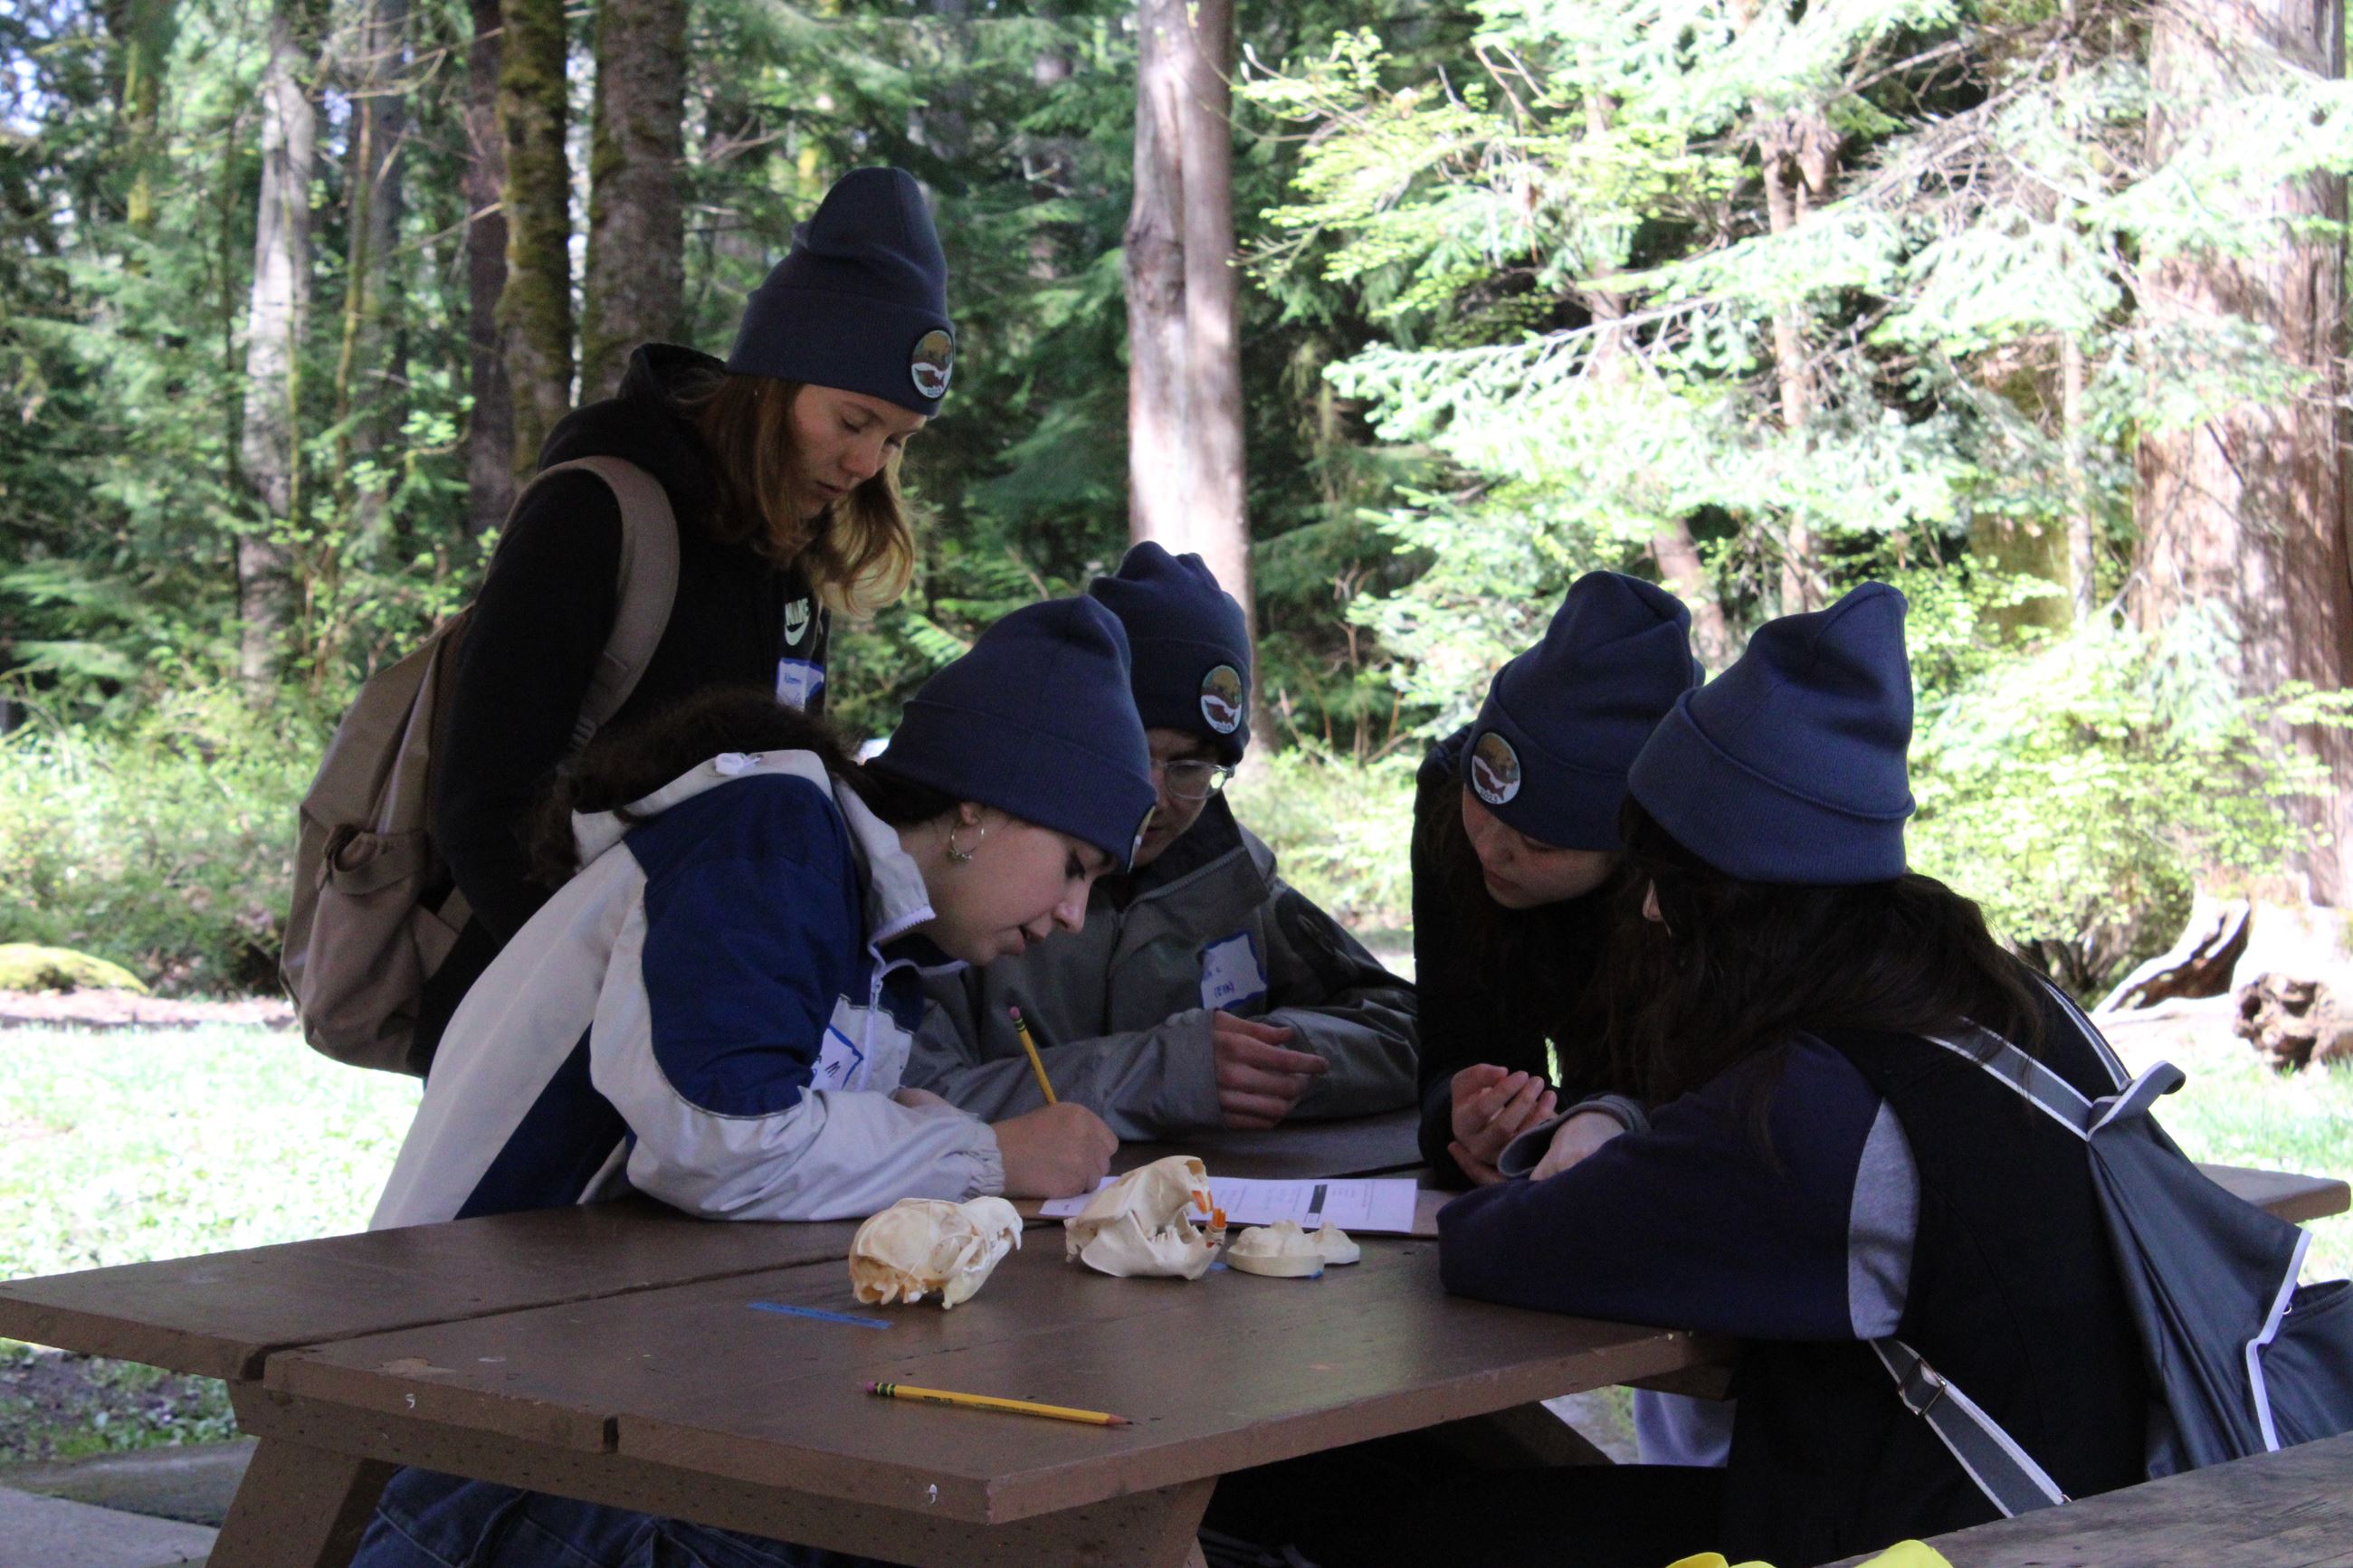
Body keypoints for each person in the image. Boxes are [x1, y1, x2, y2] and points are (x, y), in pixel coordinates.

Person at [1206, 584, 2148, 1568]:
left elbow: (1497, 1244)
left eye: (1665, 883)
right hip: (2094, 1484)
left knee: (1413, 1528)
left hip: (1941, 1534)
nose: (1648, 913)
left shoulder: (1810, 1110)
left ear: (1739, 904)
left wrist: (1587, 1144)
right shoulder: (2014, 1003)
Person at [354, 597, 1155, 1568]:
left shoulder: (873, 927)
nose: (1073, 913)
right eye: (1073, 865)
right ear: (979, 807)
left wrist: (910, 1139)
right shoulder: (771, 836)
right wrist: (982, 1151)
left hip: (596, 1374)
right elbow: (717, 1139)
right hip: (468, 1411)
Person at [415, 165, 958, 1069]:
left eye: (895, 440)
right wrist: (598, 996)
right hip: (540, 1025)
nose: (867, 462)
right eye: (853, 421)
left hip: (703, 1024)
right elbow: (481, 804)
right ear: (775, 379)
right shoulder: (597, 509)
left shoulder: (785, 552)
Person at [904, 543, 1417, 1136]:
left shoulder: (1237, 880)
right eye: (1137, 754)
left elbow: (1402, 1026)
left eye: (1191, 767)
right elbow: (906, 1099)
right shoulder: (975, 877)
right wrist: (1161, 1073)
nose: (1155, 797)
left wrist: (1266, 1059)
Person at [1409, 570, 1697, 1187]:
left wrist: (1607, 1129)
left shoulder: (1703, 878)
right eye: (1481, 805)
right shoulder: (1449, 815)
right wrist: (1468, 1115)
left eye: (1538, 841)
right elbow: (1455, 1041)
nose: (1491, 849)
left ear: (1629, 851)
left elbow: (1726, 1107)